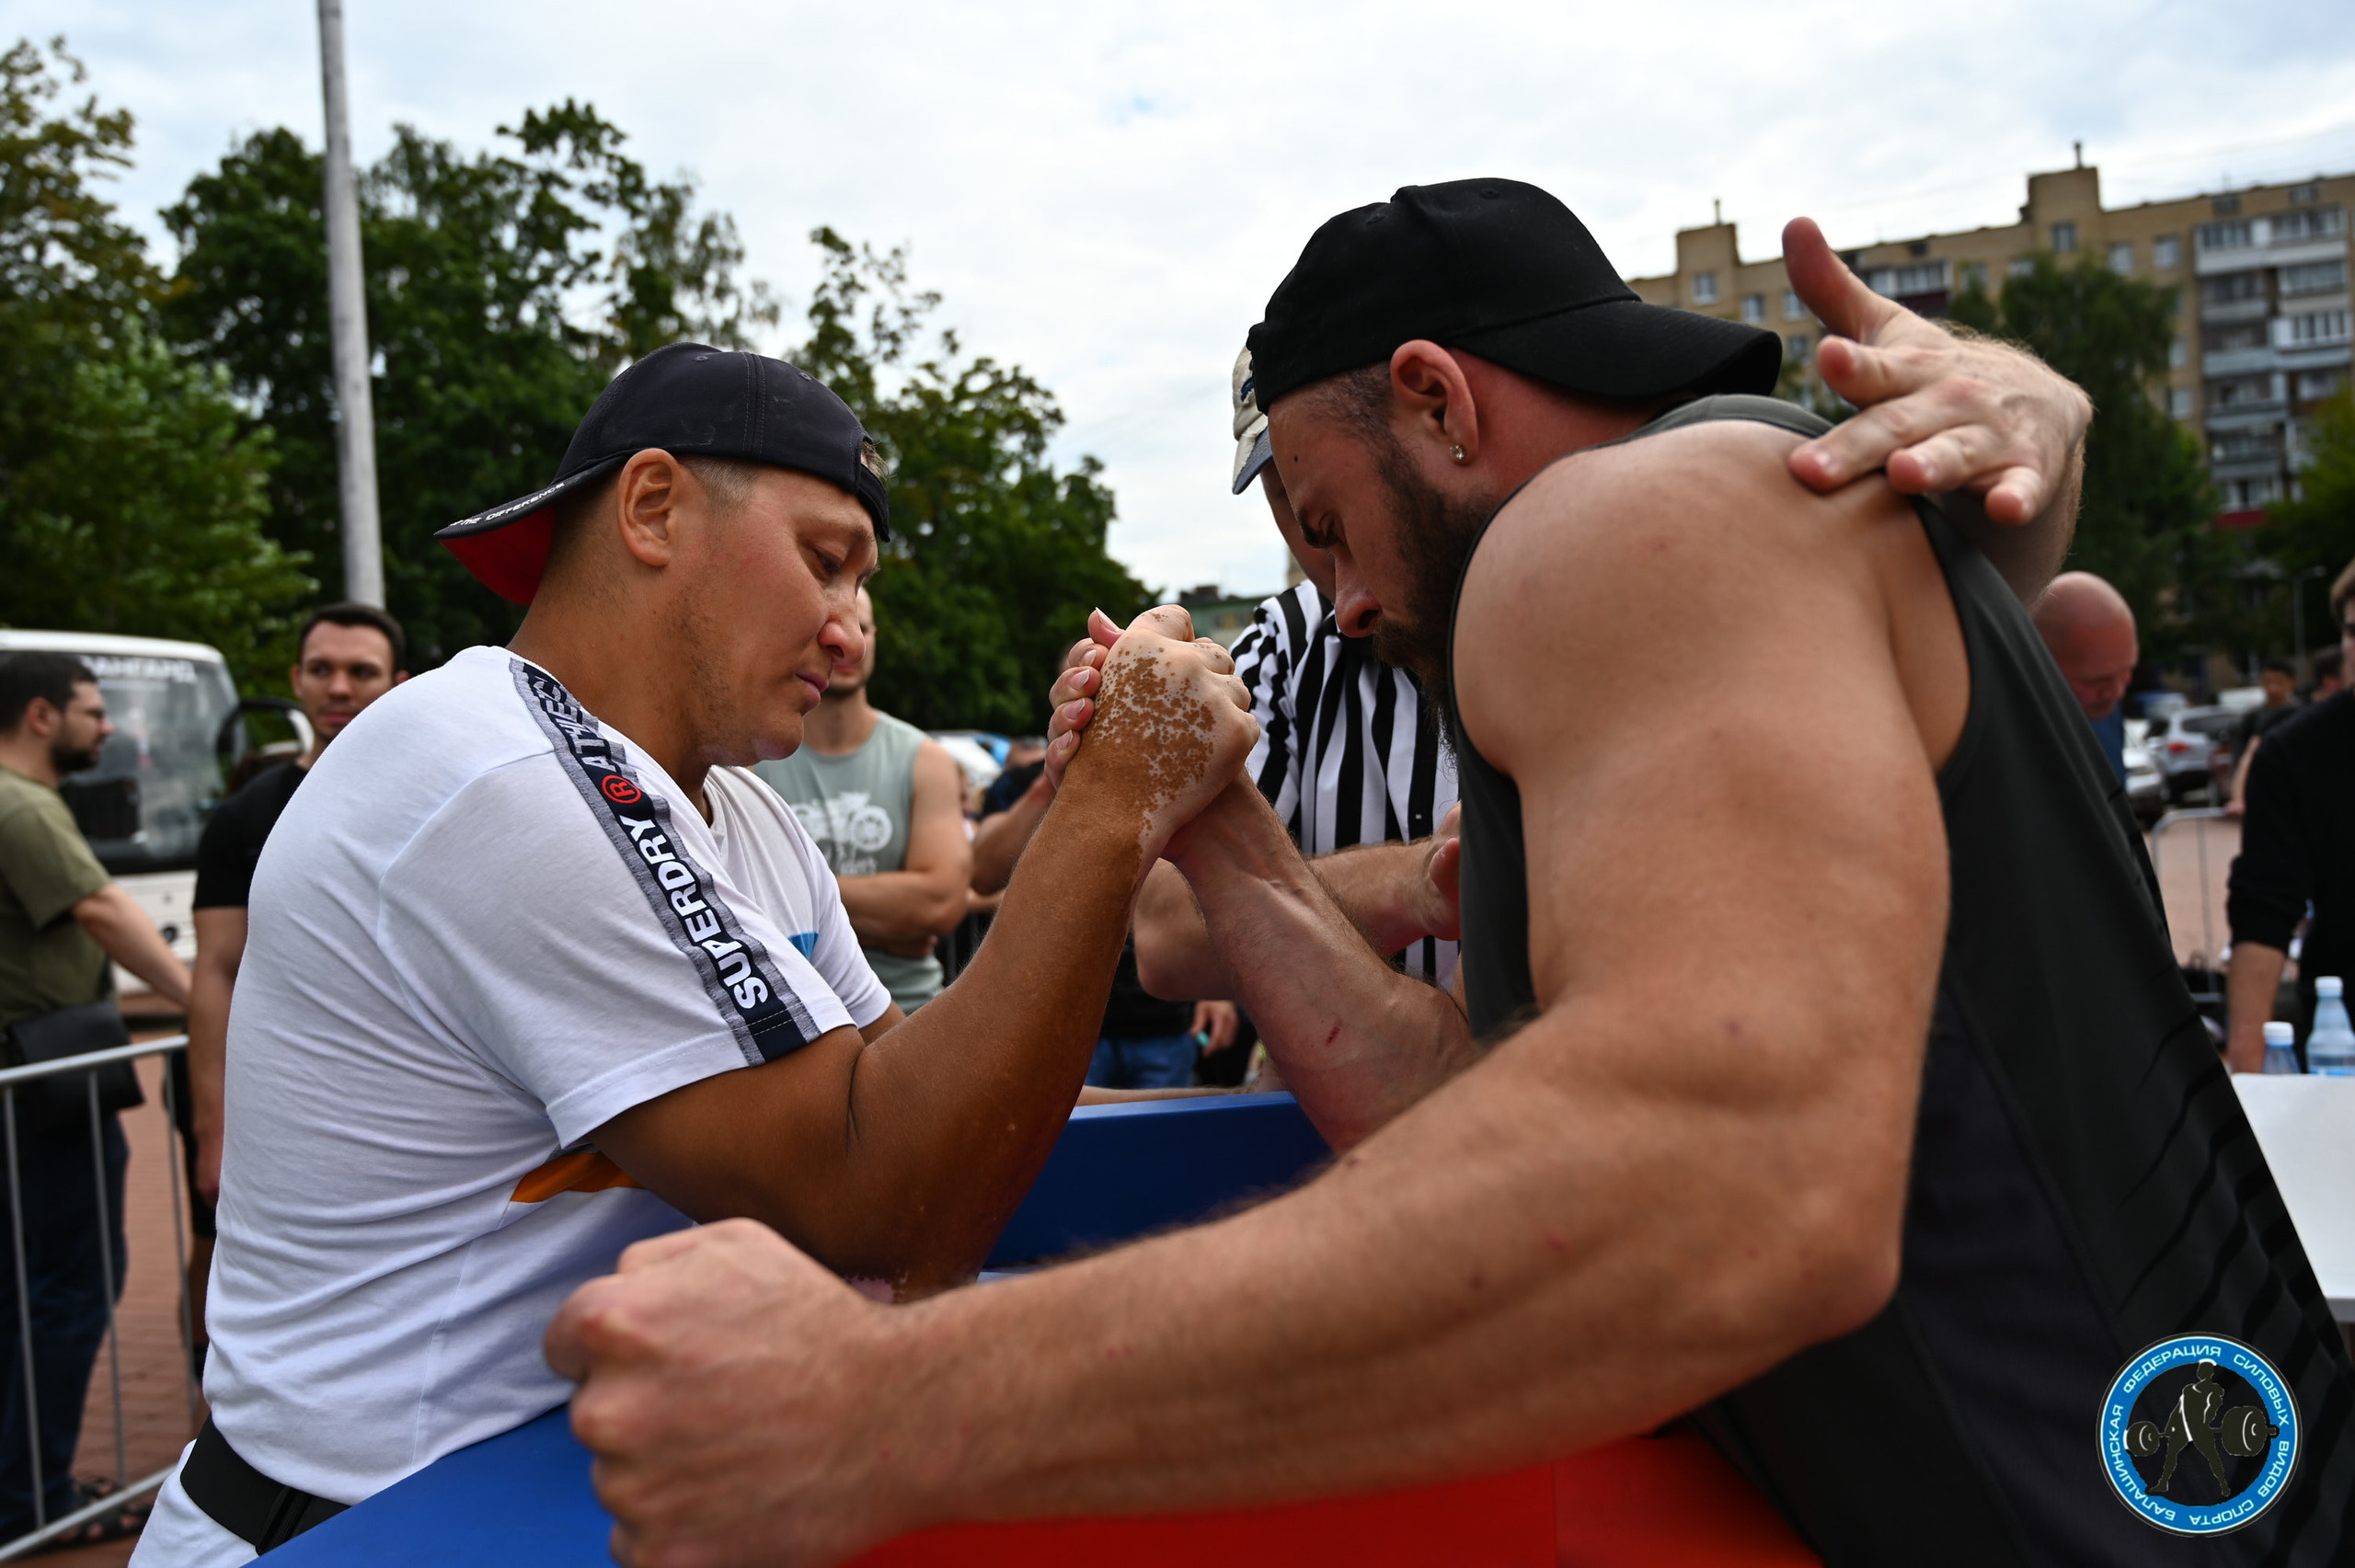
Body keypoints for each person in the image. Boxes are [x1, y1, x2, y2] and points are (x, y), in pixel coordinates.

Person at [552, 188, 2350, 1565]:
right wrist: (1221, 835)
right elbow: (1487, 1119)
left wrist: (875, 1411)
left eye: (1323, 527)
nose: (1335, 604)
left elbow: (1716, 1179)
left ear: (1436, 400)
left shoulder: (1621, 527)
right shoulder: (1762, 532)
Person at [130, 341, 1255, 1566]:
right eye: (824, 561)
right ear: (654, 508)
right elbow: (890, 1205)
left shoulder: (739, 809)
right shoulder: (495, 767)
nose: (844, 635)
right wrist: (1108, 811)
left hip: (549, 1493)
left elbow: (925, 1090)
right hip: (367, 1526)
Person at [1130, 349, 1462, 1004]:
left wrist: (1279, 898)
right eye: (1286, 494)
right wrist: (1418, 882)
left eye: (1327, 492)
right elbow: (1167, 934)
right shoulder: (1287, 643)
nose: (1314, 533)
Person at [181, 602, 409, 1359]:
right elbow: (217, 969)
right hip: (260, 1091)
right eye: (322, 669)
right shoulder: (244, 817)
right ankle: (209, 1426)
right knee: (222, 1260)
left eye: (361, 671)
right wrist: (213, 1131)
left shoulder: (427, 797)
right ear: (296, 680)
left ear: (399, 683)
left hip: (384, 1097)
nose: (338, 687)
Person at [0, 652, 191, 1549]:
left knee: (31, 1282)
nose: (106, 726)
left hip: (36, 1075)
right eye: (90, 709)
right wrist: (207, 1003)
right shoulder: (22, 804)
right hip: (43, 1083)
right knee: (71, 1281)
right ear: (41, 715)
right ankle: (32, 1494)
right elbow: (105, 911)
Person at [970, 696, 1233, 1088]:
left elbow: (1208, 881)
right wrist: (1055, 778)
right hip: (1055, 1024)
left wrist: (1214, 981)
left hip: (1161, 1020)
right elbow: (981, 872)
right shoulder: (1026, 783)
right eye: (1082, 697)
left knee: (1161, 1144)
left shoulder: (1172, 779)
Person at [752, 589, 971, 1013]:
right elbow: (735, 902)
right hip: (796, 1018)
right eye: (826, 626)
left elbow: (941, 903)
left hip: (910, 1011)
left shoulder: (925, 759)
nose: (847, 640)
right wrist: (889, 923)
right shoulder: (752, 764)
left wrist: (791, 902)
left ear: (874, 637)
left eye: (861, 626)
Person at [2224, 565, 2355, 1073]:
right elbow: (2264, 904)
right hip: (2341, 1035)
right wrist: (2249, 1061)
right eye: (2350, 631)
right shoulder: (2295, 753)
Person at [2029, 569, 2137, 783]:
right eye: (2094, 680)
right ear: (2040, 663)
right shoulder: (2004, 736)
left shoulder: (2103, 713)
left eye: (2126, 672)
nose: (2117, 692)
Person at [2226, 657, 2304, 813]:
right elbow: (2240, 757)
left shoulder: (2304, 716)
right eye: (2267, 682)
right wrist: (2238, 794)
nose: (2273, 688)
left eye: (2279, 682)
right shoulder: (2251, 720)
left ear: (2292, 683)